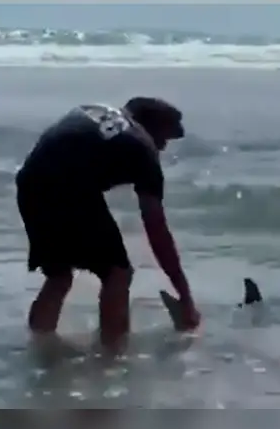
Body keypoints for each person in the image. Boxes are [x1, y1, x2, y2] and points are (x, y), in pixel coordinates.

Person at [14, 97, 201, 347]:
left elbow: (64, 146)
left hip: (30, 182)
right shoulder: (142, 146)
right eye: (165, 139)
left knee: (59, 276)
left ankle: (39, 347)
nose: (163, 148)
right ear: (152, 127)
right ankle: (112, 359)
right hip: (68, 186)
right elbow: (157, 230)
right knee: (118, 273)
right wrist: (186, 297)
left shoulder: (93, 109)